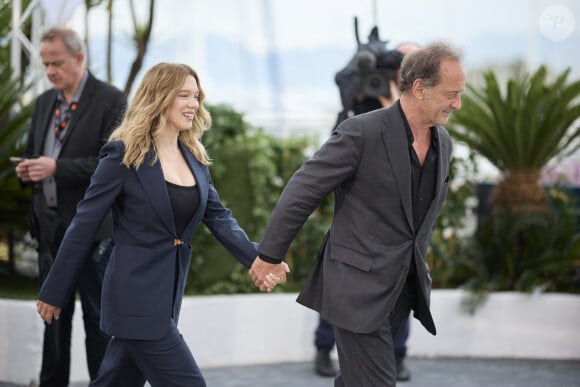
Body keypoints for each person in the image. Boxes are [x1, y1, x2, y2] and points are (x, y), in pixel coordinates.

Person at [35, 62, 288, 387]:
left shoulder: (194, 157)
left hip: (166, 296)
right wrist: (55, 291)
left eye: (196, 96)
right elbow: (83, 227)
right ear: (159, 97)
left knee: (116, 381)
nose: (193, 104)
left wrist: (259, 258)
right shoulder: (123, 156)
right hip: (135, 297)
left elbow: (218, 216)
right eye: (184, 95)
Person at [251, 41, 465, 386]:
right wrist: (269, 255)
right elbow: (302, 191)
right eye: (450, 94)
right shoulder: (361, 132)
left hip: (401, 288)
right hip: (355, 288)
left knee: (355, 381)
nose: (457, 103)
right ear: (420, 88)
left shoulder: (444, 142)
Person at [14, 27, 127, 386]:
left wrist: (56, 168)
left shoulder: (111, 98)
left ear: (79, 58)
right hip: (50, 231)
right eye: (45, 64)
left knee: (97, 320)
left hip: (94, 235)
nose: (49, 71)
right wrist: (28, 168)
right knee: (52, 318)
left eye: (56, 63)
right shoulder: (45, 102)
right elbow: (38, 154)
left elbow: (116, 165)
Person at [314, 41, 420, 381]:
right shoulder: (357, 107)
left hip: (398, 233)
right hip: (356, 226)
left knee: (399, 292)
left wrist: (394, 103)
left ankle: (397, 354)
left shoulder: (419, 112)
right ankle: (323, 347)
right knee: (341, 285)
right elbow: (334, 155)